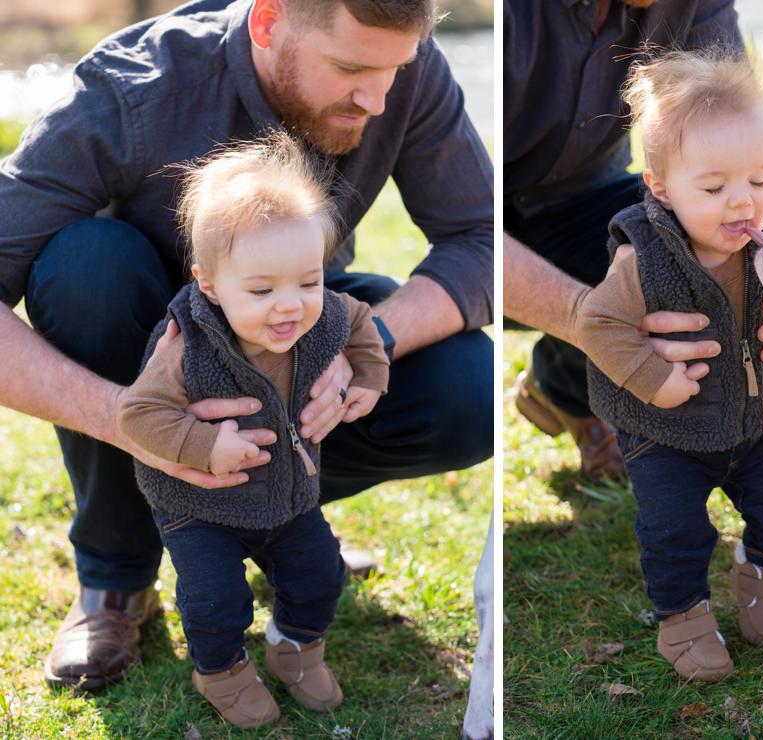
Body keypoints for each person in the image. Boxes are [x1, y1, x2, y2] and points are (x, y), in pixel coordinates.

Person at [0, 0, 493, 689]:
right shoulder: (132, 86)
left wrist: (368, 343)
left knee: (467, 385)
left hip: (293, 339)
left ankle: (272, 521)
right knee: (85, 266)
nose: (378, 101)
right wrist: (134, 422)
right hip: (139, 346)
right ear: (269, 23)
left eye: (393, 71)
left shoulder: (397, 66)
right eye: (350, 69)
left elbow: (481, 237)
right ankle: (114, 580)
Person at [118, 133, 386, 728]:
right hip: (200, 505)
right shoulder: (186, 346)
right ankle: (222, 671)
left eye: (308, 281)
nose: (289, 306)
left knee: (321, 574)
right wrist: (206, 445)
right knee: (216, 598)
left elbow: (362, 322)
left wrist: (367, 375)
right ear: (210, 284)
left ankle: (295, 645)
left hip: (287, 496)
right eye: (262, 290)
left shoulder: (323, 316)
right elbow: (138, 415)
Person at [578, 48, 763, 683]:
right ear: (660, 186)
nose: (743, 203)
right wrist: (656, 381)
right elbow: (594, 323)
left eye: (760, 181)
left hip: (751, 421)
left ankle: (761, 585)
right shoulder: (644, 258)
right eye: (714, 188)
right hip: (666, 434)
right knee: (674, 530)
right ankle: (682, 623)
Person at [503, 0, 763, 483]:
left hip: (588, 201)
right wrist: (592, 325)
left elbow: (756, 141)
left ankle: (562, 386)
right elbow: (467, 232)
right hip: (491, 238)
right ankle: (598, 385)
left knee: (696, 241)